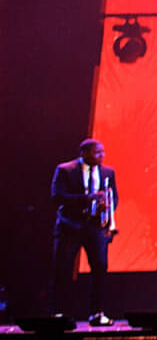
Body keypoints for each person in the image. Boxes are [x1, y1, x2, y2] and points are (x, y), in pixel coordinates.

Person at [49, 138, 116, 324]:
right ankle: (59, 313)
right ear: (84, 153)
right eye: (97, 152)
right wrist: (87, 199)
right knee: (63, 270)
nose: (101, 156)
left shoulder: (108, 172)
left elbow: (114, 197)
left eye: (102, 152)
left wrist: (107, 209)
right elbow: (57, 197)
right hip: (70, 226)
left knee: (100, 268)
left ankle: (97, 313)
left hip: (95, 227)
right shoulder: (65, 170)